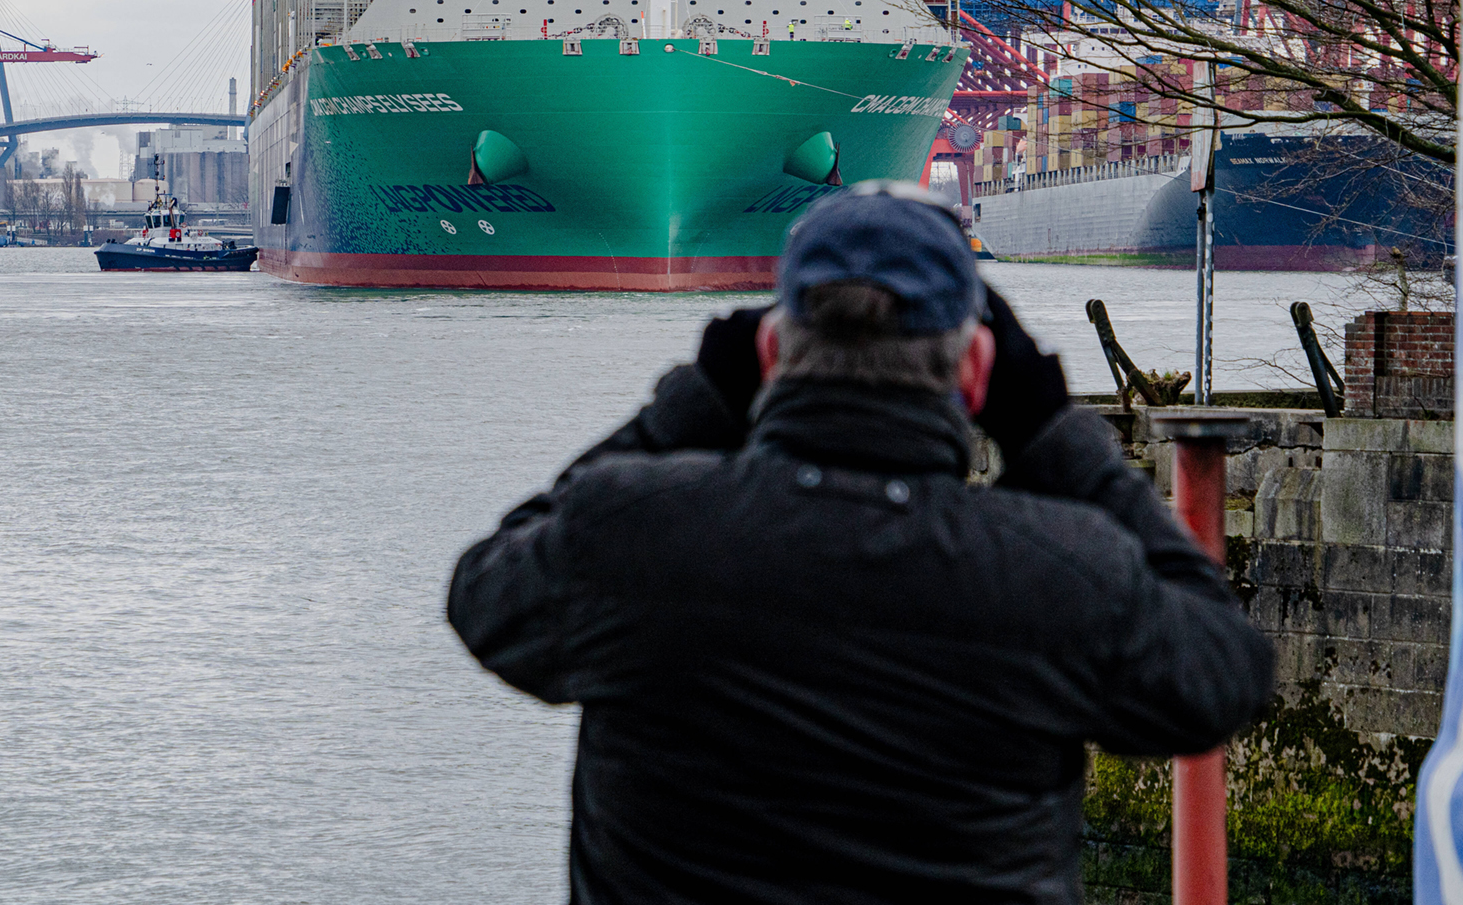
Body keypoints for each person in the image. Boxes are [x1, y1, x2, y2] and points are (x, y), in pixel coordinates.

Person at [448, 182, 1275, 905]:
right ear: (977, 372)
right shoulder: (1059, 571)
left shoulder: (634, 535)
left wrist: (694, 401)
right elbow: (1219, 675)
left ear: (770, 352)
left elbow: (485, 596)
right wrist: (1052, 431)